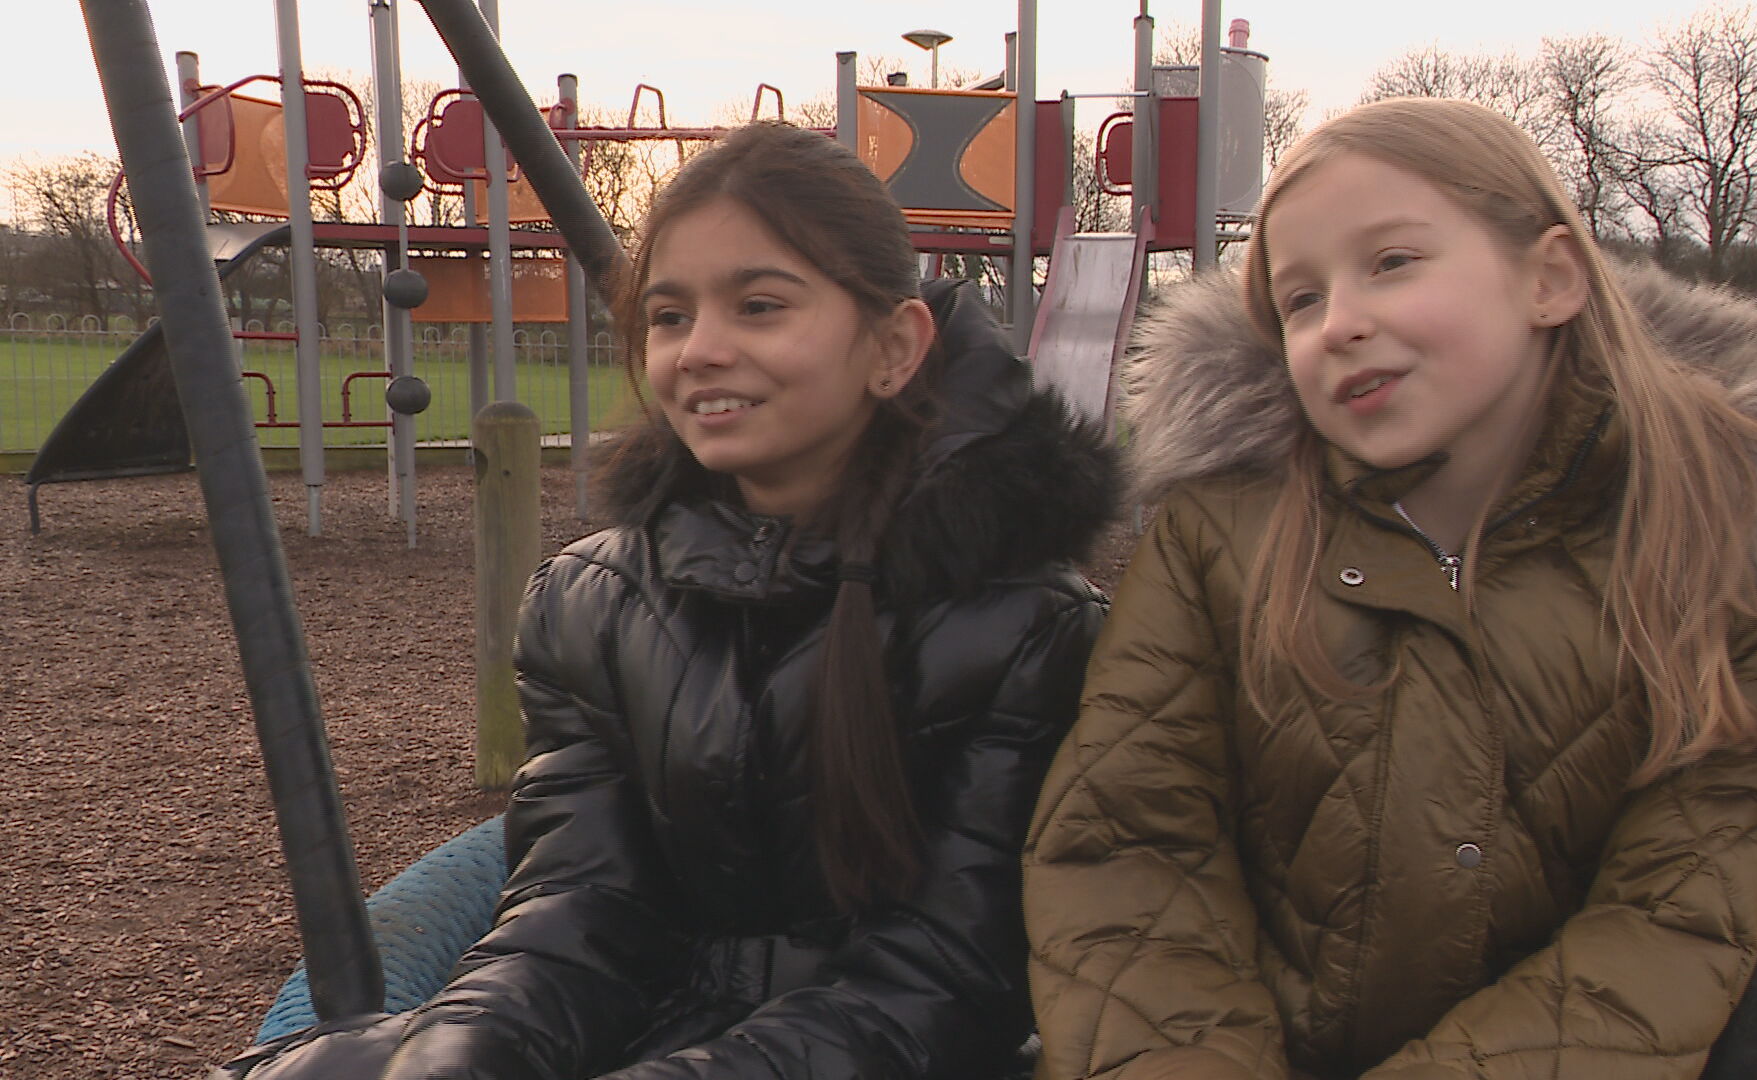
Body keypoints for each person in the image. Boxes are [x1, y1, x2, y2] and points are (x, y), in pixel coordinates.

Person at [224, 120, 1116, 1080]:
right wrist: (466, 1056)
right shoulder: (594, 601)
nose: (699, 352)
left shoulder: (1024, 628)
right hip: (654, 1033)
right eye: (670, 315)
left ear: (893, 346)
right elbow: (579, 912)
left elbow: (946, 982)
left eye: (761, 306)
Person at [1022, 98, 1757, 1080]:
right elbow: (1130, 847)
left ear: (1550, 279)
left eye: (1390, 262)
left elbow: (1675, 917)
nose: (1339, 322)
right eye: (1299, 300)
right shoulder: (1221, 535)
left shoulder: (1709, 540)